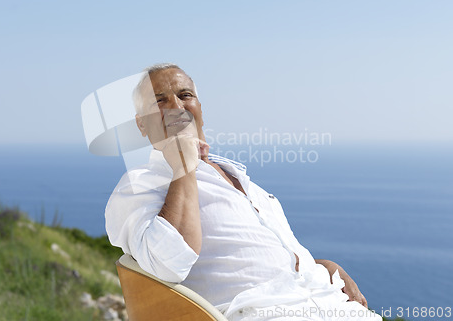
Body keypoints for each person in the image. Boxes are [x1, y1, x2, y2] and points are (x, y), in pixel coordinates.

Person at [105, 63, 382, 321]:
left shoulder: (243, 181)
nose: (176, 106)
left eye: (185, 95)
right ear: (142, 124)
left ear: (200, 108)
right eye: (159, 100)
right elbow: (167, 264)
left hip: (326, 303)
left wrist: (324, 266)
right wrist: (184, 167)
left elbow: (257, 260)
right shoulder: (139, 183)